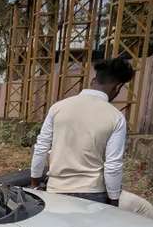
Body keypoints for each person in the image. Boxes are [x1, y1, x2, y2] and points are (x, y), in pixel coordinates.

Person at [29, 57, 135, 206]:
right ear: (117, 88)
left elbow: (41, 148)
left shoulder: (58, 108)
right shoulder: (116, 117)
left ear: (93, 81)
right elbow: (113, 165)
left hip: (55, 191)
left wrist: (34, 184)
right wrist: (113, 200)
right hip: (93, 194)